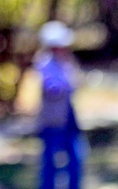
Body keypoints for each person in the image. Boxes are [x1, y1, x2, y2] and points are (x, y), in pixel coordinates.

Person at [36, 20, 83, 189]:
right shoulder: (44, 64)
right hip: (52, 121)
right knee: (50, 164)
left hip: (69, 118)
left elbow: (76, 83)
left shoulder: (67, 62)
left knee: (76, 159)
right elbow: (53, 87)